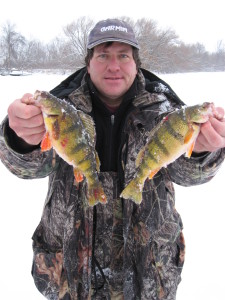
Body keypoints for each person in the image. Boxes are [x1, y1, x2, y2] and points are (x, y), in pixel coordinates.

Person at [0, 18, 225, 300]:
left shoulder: (167, 111)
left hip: (149, 275)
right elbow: (27, 167)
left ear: (136, 63)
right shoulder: (60, 107)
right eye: (103, 55)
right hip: (69, 274)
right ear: (88, 62)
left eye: (123, 56)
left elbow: (187, 173)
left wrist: (203, 149)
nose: (114, 66)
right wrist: (19, 137)